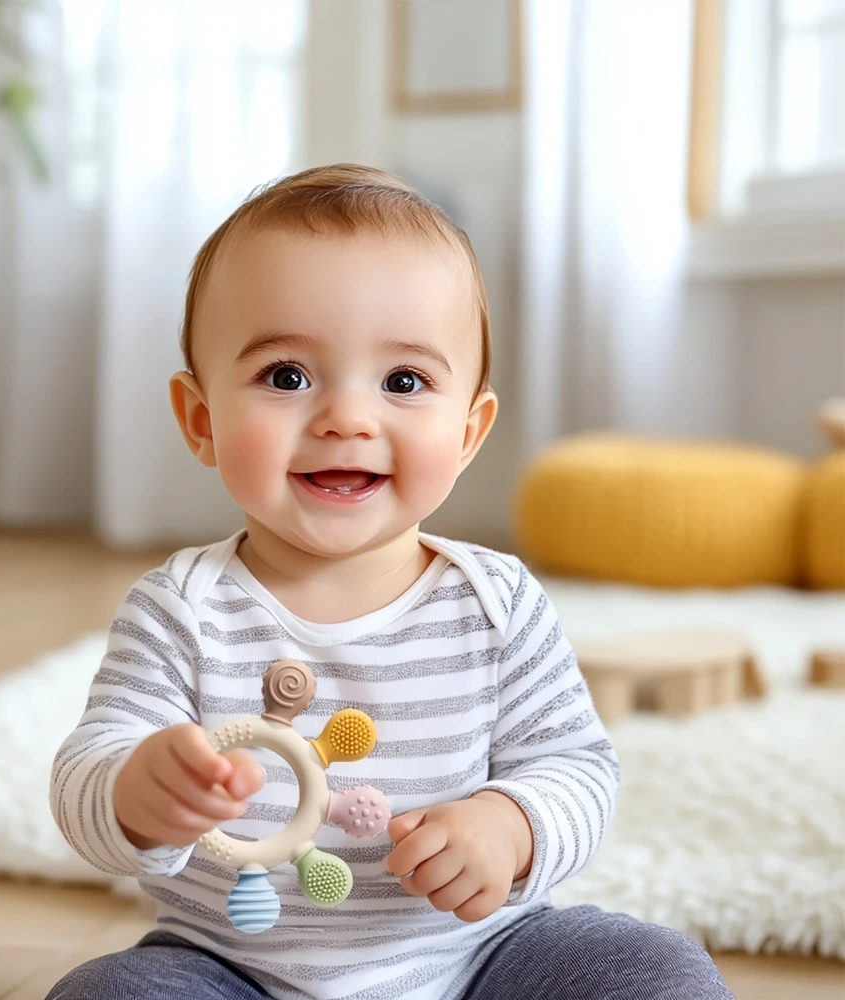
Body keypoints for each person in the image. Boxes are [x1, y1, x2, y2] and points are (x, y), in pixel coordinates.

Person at [48, 164, 732, 1000]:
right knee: (107, 994)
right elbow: (90, 766)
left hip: (484, 963)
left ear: (470, 428)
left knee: (656, 971)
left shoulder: (496, 604)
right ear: (202, 420)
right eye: (287, 376)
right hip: (230, 971)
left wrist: (510, 825)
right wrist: (133, 792)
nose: (347, 417)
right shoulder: (178, 609)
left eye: (403, 382)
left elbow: (577, 766)